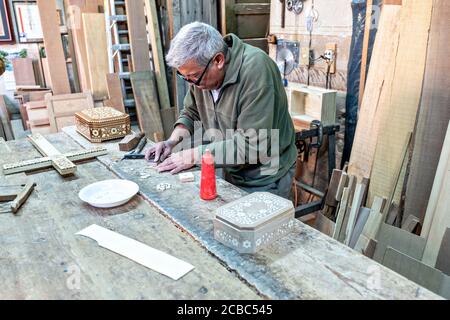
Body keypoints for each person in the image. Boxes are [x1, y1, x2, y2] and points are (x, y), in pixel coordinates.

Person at [145, 22, 297, 199]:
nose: (192, 83)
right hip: (233, 169)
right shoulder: (201, 74)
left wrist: (193, 156)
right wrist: (171, 142)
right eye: (185, 77)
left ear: (218, 60)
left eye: (194, 76)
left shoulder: (256, 70)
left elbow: (253, 145)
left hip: (266, 176)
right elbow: (191, 112)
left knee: (264, 225)